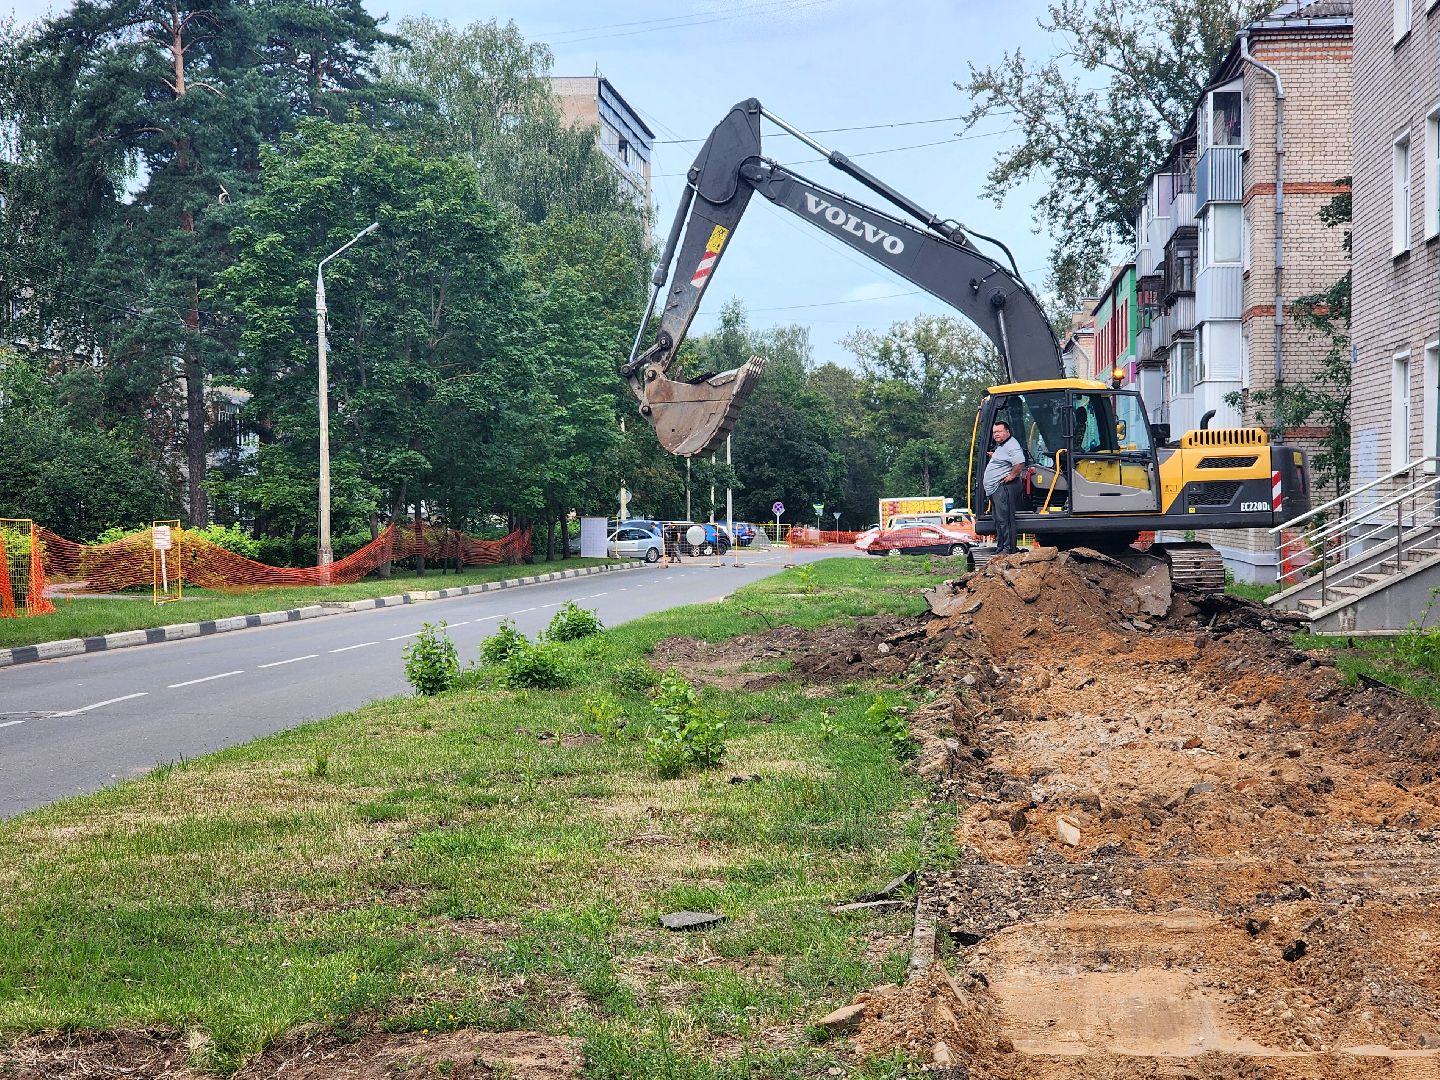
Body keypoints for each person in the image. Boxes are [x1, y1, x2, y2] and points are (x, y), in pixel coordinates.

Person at [984, 419, 1027, 555]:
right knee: (998, 520)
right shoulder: (1002, 446)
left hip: (1003, 488)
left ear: (1007, 432)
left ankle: (1008, 548)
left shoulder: (1011, 445)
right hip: (995, 489)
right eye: (994, 432)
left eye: (999, 431)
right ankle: (1001, 547)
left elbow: (1020, 462)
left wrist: (1012, 476)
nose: (996, 434)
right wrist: (994, 456)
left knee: (1005, 519)